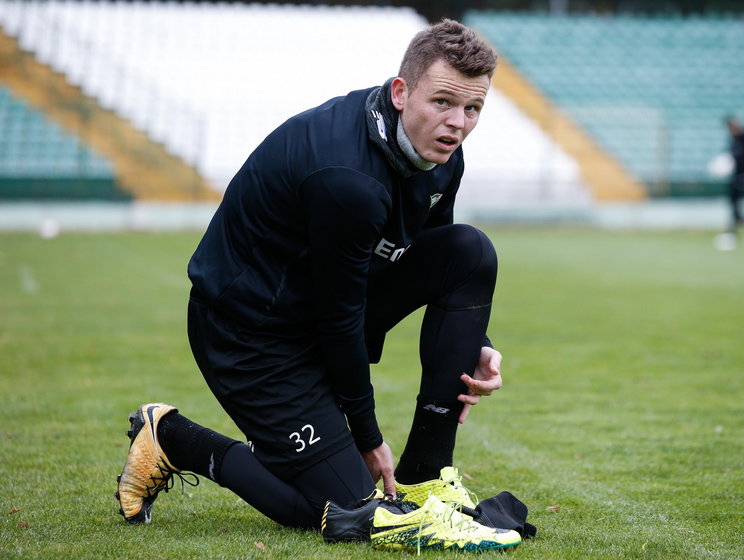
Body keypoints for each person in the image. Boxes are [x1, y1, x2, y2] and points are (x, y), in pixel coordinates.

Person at [114, 19, 525, 552]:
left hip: (317, 306)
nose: (457, 123)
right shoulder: (348, 180)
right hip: (249, 332)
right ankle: (170, 436)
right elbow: (341, 315)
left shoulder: (443, 156)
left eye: (472, 109)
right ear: (401, 93)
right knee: (343, 508)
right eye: (442, 102)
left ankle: (425, 477)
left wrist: (477, 344)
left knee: (471, 250)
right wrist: (367, 434)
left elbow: (438, 255)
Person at [717, 116, 744, 250]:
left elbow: (740, 157)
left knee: (736, 204)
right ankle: (736, 231)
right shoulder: (734, 139)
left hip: (743, 176)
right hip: (736, 176)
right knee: (733, 204)